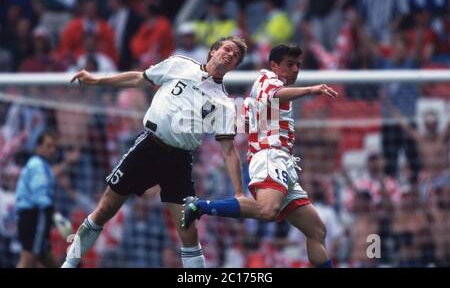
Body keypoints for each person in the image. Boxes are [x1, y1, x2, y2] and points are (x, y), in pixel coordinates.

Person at [61, 36, 248, 268]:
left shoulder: (224, 104)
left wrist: (239, 192)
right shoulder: (180, 64)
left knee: (187, 229)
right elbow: (139, 78)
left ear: (234, 67)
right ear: (213, 51)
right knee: (104, 210)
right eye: (227, 49)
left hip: (179, 160)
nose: (229, 55)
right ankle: (68, 264)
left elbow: (229, 150)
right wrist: (97, 80)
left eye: (235, 56)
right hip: (148, 147)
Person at [182, 43, 338, 267]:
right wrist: (310, 90)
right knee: (268, 210)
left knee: (317, 231)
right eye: (290, 65)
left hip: (282, 163)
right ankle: (200, 206)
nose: (295, 69)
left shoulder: (261, 88)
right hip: (269, 156)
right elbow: (277, 95)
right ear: (274, 65)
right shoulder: (268, 79)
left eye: (298, 65)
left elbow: (247, 120)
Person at [15, 132, 62, 268]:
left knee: (46, 257)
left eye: (54, 147)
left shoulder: (40, 165)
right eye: (48, 146)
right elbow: (39, 194)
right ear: (38, 147)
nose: (52, 150)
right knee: (28, 260)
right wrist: (53, 212)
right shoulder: (37, 165)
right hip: (35, 216)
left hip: (30, 216)